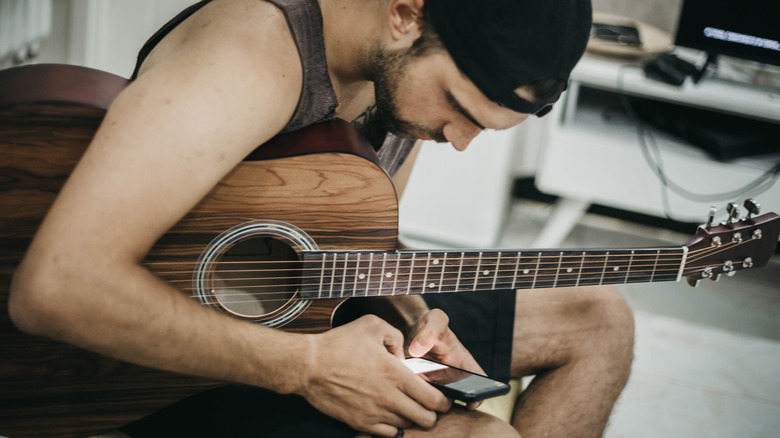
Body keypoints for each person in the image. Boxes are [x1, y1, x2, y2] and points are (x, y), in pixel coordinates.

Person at [8, 0, 635, 437]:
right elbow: (56, 288)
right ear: (406, 13)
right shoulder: (245, 62)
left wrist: (415, 313)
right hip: (159, 362)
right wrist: (309, 369)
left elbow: (364, 241)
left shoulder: (401, 79)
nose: (461, 140)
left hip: (306, 310)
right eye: (458, 106)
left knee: (599, 320)